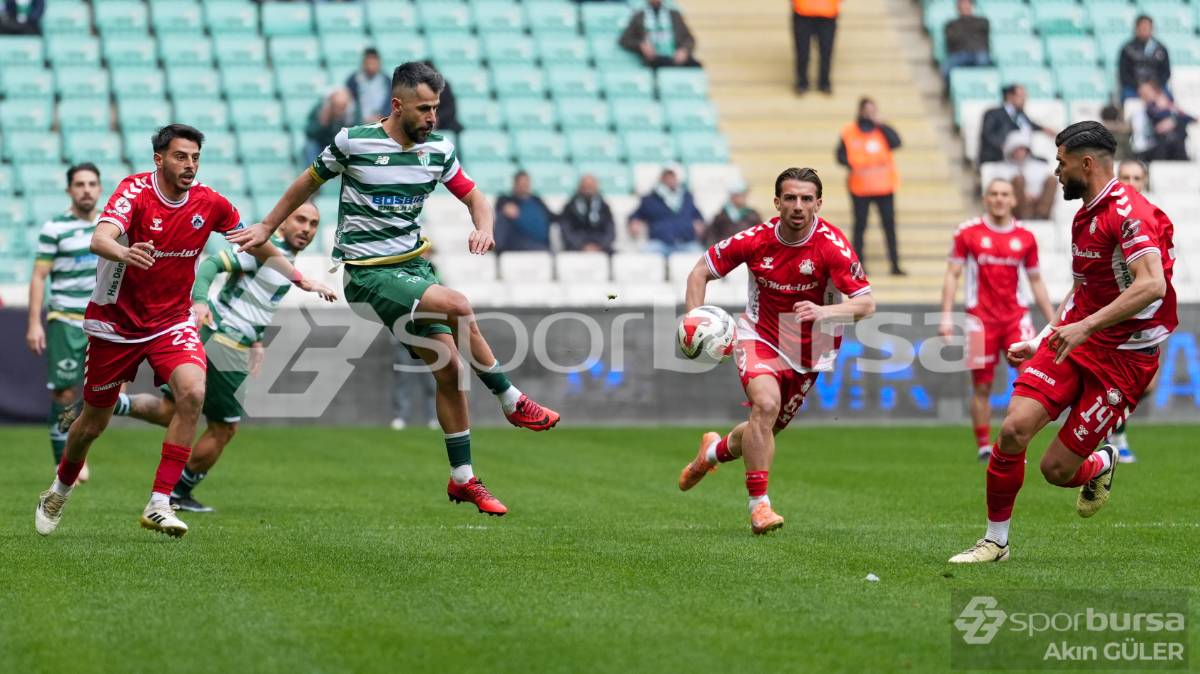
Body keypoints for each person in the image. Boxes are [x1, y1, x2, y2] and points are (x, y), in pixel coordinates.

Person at [228, 62, 561, 518]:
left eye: (436, 109)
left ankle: (463, 480)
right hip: (367, 274)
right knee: (459, 304)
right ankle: (510, 399)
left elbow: (475, 197)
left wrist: (483, 226)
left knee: (448, 370)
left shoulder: (438, 151)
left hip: (411, 270)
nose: (432, 118)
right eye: (424, 109)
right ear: (397, 105)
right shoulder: (354, 142)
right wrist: (267, 225)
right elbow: (307, 182)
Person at [34, 124, 337, 538]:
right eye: (181, 156)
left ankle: (160, 501)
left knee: (193, 392)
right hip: (115, 323)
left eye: (195, 157)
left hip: (171, 321)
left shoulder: (208, 202)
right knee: (91, 425)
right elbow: (100, 238)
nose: (190, 165)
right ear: (159, 159)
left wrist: (300, 278)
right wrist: (125, 250)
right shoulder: (135, 191)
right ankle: (59, 489)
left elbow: (255, 240)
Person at [949, 122, 1177, 563]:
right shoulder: (1083, 215)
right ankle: (996, 542)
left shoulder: (1129, 214)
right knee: (1014, 428)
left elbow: (1153, 286)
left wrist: (1085, 327)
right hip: (1075, 337)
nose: (1056, 171)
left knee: (1056, 470)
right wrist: (1043, 337)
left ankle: (1099, 463)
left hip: (1123, 357)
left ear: (1086, 163)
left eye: (1061, 162)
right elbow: (1081, 290)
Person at [62, 203, 325, 513]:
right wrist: (200, 303)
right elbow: (213, 264)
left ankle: (110, 404)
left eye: (313, 224)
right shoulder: (267, 251)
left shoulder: (283, 259)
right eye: (300, 219)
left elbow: (251, 300)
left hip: (227, 338)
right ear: (281, 223)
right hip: (225, 342)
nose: (306, 228)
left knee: (168, 411)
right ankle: (178, 492)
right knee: (224, 427)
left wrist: (256, 340)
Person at [676, 167, 875, 535]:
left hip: (810, 349)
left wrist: (824, 311)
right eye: (790, 198)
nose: (798, 206)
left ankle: (710, 453)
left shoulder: (833, 245)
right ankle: (760, 508)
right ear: (776, 202)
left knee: (761, 431)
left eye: (805, 199)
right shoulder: (756, 239)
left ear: (818, 203)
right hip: (759, 335)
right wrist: (694, 320)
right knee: (765, 407)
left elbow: (866, 305)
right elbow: (699, 271)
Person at [939, 178, 1055, 461]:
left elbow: (1036, 280)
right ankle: (983, 446)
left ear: (1013, 200)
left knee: (1029, 380)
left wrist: (1054, 321)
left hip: (1016, 318)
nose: (999, 199)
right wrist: (945, 315)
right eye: (994, 194)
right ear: (986, 198)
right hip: (980, 321)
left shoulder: (1025, 237)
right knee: (982, 385)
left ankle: (1015, 442)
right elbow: (953, 274)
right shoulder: (968, 233)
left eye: (1005, 194)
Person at [26, 163, 102, 481]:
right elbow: (39, 276)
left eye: (92, 183)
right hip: (65, 320)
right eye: (80, 184)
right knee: (64, 394)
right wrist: (34, 323)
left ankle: (75, 453)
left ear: (99, 189)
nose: (86, 189)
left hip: (102, 323)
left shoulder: (111, 227)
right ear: (69, 190)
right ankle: (65, 464)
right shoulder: (54, 228)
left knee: (103, 396)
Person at [1108, 158, 1151, 464]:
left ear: (1144, 182)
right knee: (1115, 380)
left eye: (1137, 177)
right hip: (1112, 311)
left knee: (1146, 385)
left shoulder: (1152, 218)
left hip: (1148, 313)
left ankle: (1111, 429)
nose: (1131, 183)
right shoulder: (1108, 217)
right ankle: (1115, 438)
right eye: (1125, 177)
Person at [837, 97, 904, 275]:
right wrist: (853, 164)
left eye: (873, 110)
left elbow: (897, 142)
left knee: (889, 226)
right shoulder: (849, 132)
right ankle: (859, 266)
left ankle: (895, 264)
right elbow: (840, 156)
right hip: (860, 188)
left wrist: (881, 124)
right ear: (860, 111)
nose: (870, 114)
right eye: (867, 110)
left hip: (884, 187)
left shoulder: (882, 130)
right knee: (860, 226)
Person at [629, 168, 704, 255]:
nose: (671, 180)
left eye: (673, 177)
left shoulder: (687, 197)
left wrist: (699, 223)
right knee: (645, 253)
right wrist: (634, 222)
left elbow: (697, 215)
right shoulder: (650, 199)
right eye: (668, 177)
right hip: (660, 243)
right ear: (662, 179)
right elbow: (637, 214)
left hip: (685, 242)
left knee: (700, 255)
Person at [978, 85, 1052, 165]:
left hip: (1023, 158)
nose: (1024, 99)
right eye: (1021, 96)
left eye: (1025, 96)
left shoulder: (1021, 114)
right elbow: (988, 135)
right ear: (1010, 96)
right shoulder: (993, 113)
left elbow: (1029, 125)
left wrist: (1043, 129)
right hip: (999, 159)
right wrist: (1006, 147)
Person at [617, 0, 700, 68]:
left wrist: (684, 50)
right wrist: (641, 45)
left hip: (675, 56)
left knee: (695, 65)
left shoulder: (674, 15)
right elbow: (624, 40)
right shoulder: (639, 16)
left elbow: (689, 39)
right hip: (654, 59)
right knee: (662, 64)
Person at [998, 130, 1056, 220]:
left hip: (1038, 205)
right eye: (1016, 149)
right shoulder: (1002, 168)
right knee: (1017, 179)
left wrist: (1034, 195)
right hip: (1017, 208)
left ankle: (1041, 216)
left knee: (1052, 179)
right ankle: (1026, 216)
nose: (1019, 152)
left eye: (1022, 149)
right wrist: (1024, 194)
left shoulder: (1038, 165)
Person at [1131, 80, 1194, 162]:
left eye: (1147, 93)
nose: (1145, 96)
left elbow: (1187, 118)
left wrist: (1172, 117)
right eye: (1142, 94)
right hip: (1154, 144)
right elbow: (1155, 125)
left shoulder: (1169, 108)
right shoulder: (1144, 111)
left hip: (1173, 141)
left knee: (1176, 138)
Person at [494, 170, 553, 253]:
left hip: (540, 244)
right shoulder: (506, 201)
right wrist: (504, 206)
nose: (524, 186)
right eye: (521, 183)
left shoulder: (536, 200)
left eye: (526, 183)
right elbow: (500, 204)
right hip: (517, 242)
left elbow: (553, 217)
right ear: (515, 184)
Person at [1119, 15, 1171, 103]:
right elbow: (1124, 74)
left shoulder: (1161, 48)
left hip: (1157, 86)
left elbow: (1166, 72)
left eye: (1147, 27)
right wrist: (1140, 86)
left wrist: (1153, 85)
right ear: (1136, 29)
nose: (1145, 30)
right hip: (1134, 87)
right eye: (1142, 27)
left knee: (1167, 100)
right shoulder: (1127, 49)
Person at [791, 0, 839, 94]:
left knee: (826, 51)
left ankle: (824, 82)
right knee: (802, 51)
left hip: (828, 12)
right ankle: (802, 82)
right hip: (803, 12)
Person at [559, 173, 615, 253]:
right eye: (585, 186)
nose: (588, 189)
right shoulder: (570, 207)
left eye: (591, 186)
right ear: (580, 187)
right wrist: (581, 246)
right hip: (576, 248)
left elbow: (610, 231)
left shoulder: (604, 207)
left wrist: (600, 246)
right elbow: (566, 231)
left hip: (601, 247)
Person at [304, 87, 356, 167]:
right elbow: (309, 133)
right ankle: (312, 175)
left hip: (341, 148)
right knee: (310, 146)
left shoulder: (352, 114)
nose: (338, 111)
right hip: (322, 145)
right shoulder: (320, 109)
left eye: (342, 107)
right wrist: (322, 123)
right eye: (336, 106)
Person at [942, 0, 991, 78]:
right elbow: (952, 41)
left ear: (972, 6)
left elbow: (985, 42)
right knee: (945, 67)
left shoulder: (982, 21)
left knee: (982, 59)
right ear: (957, 7)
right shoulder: (951, 24)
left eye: (966, 4)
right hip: (959, 54)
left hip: (977, 53)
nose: (964, 7)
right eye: (962, 5)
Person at [346, 47, 390, 123]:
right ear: (363, 63)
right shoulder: (354, 79)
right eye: (368, 63)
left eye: (373, 63)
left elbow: (390, 102)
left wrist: (381, 116)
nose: (370, 67)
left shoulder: (387, 81)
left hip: (381, 121)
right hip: (358, 122)